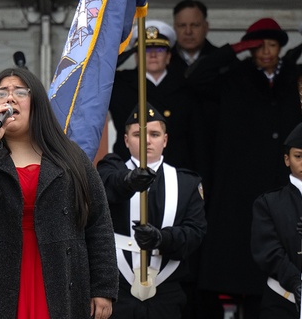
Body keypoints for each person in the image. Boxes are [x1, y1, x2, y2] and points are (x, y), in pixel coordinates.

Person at [0, 68, 118, 318]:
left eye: (20, 92)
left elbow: (98, 225)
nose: (10, 99)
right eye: (0, 94)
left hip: (56, 275)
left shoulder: (70, 157)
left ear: (37, 103)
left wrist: (103, 288)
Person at [188, 17, 302, 319]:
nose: (266, 52)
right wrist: (235, 49)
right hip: (239, 186)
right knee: (238, 263)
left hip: (283, 181)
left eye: (272, 45)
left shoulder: (294, 77)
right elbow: (195, 77)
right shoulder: (234, 75)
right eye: (259, 46)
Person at [97, 102, 206, 318]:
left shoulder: (186, 183)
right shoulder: (110, 171)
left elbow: (195, 233)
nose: (147, 140)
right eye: (138, 134)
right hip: (117, 292)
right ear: (126, 140)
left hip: (166, 293)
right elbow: (109, 187)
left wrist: (161, 239)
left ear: (165, 141)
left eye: (155, 134)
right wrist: (129, 181)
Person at [109, 20, 205, 172]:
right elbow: (97, 73)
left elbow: (197, 137)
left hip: (176, 167)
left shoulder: (185, 85)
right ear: (136, 56)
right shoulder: (120, 84)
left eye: (160, 49)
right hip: (129, 168)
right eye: (145, 50)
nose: (153, 55)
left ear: (168, 56)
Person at [250, 122, 302, 319]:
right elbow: (267, 251)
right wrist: (295, 281)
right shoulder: (269, 203)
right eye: (298, 156)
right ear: (287, 159)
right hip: (282, 298)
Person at [170, 0, 218, 73]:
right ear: (174, 28)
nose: (188, 32)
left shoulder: (222, 59)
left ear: (206, 27)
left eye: (195, 25)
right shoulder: (160, 62)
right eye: (182, 26)